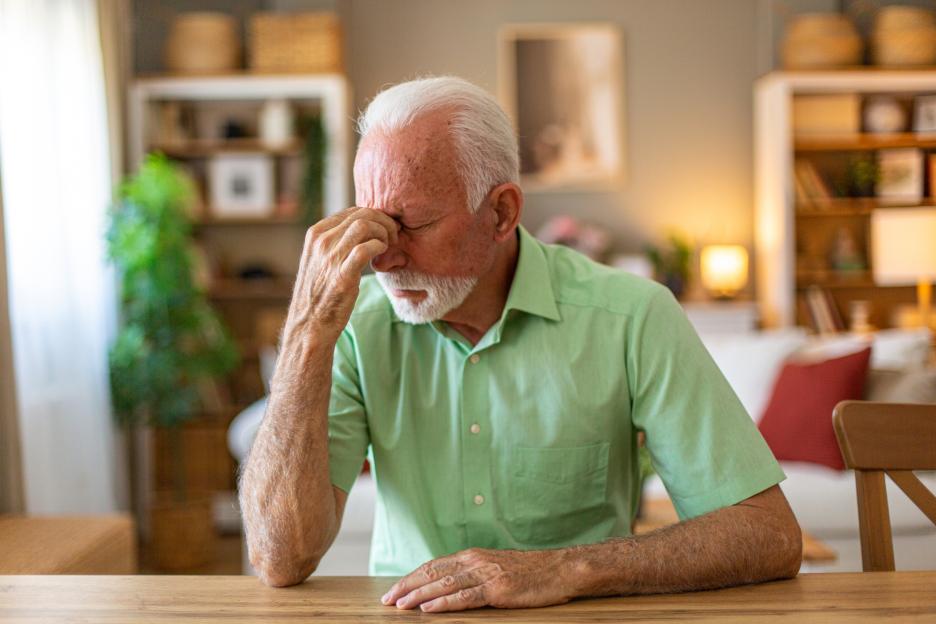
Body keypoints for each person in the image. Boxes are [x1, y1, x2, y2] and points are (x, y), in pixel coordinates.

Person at [238, 76, 802, 613]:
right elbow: (280, 559)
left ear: (502, 211)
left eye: (412, 224)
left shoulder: (632, 316)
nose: (383, 258)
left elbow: (767, 532)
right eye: (374, 223)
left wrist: (563, 570)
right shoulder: (354, 327)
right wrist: (306, 333)